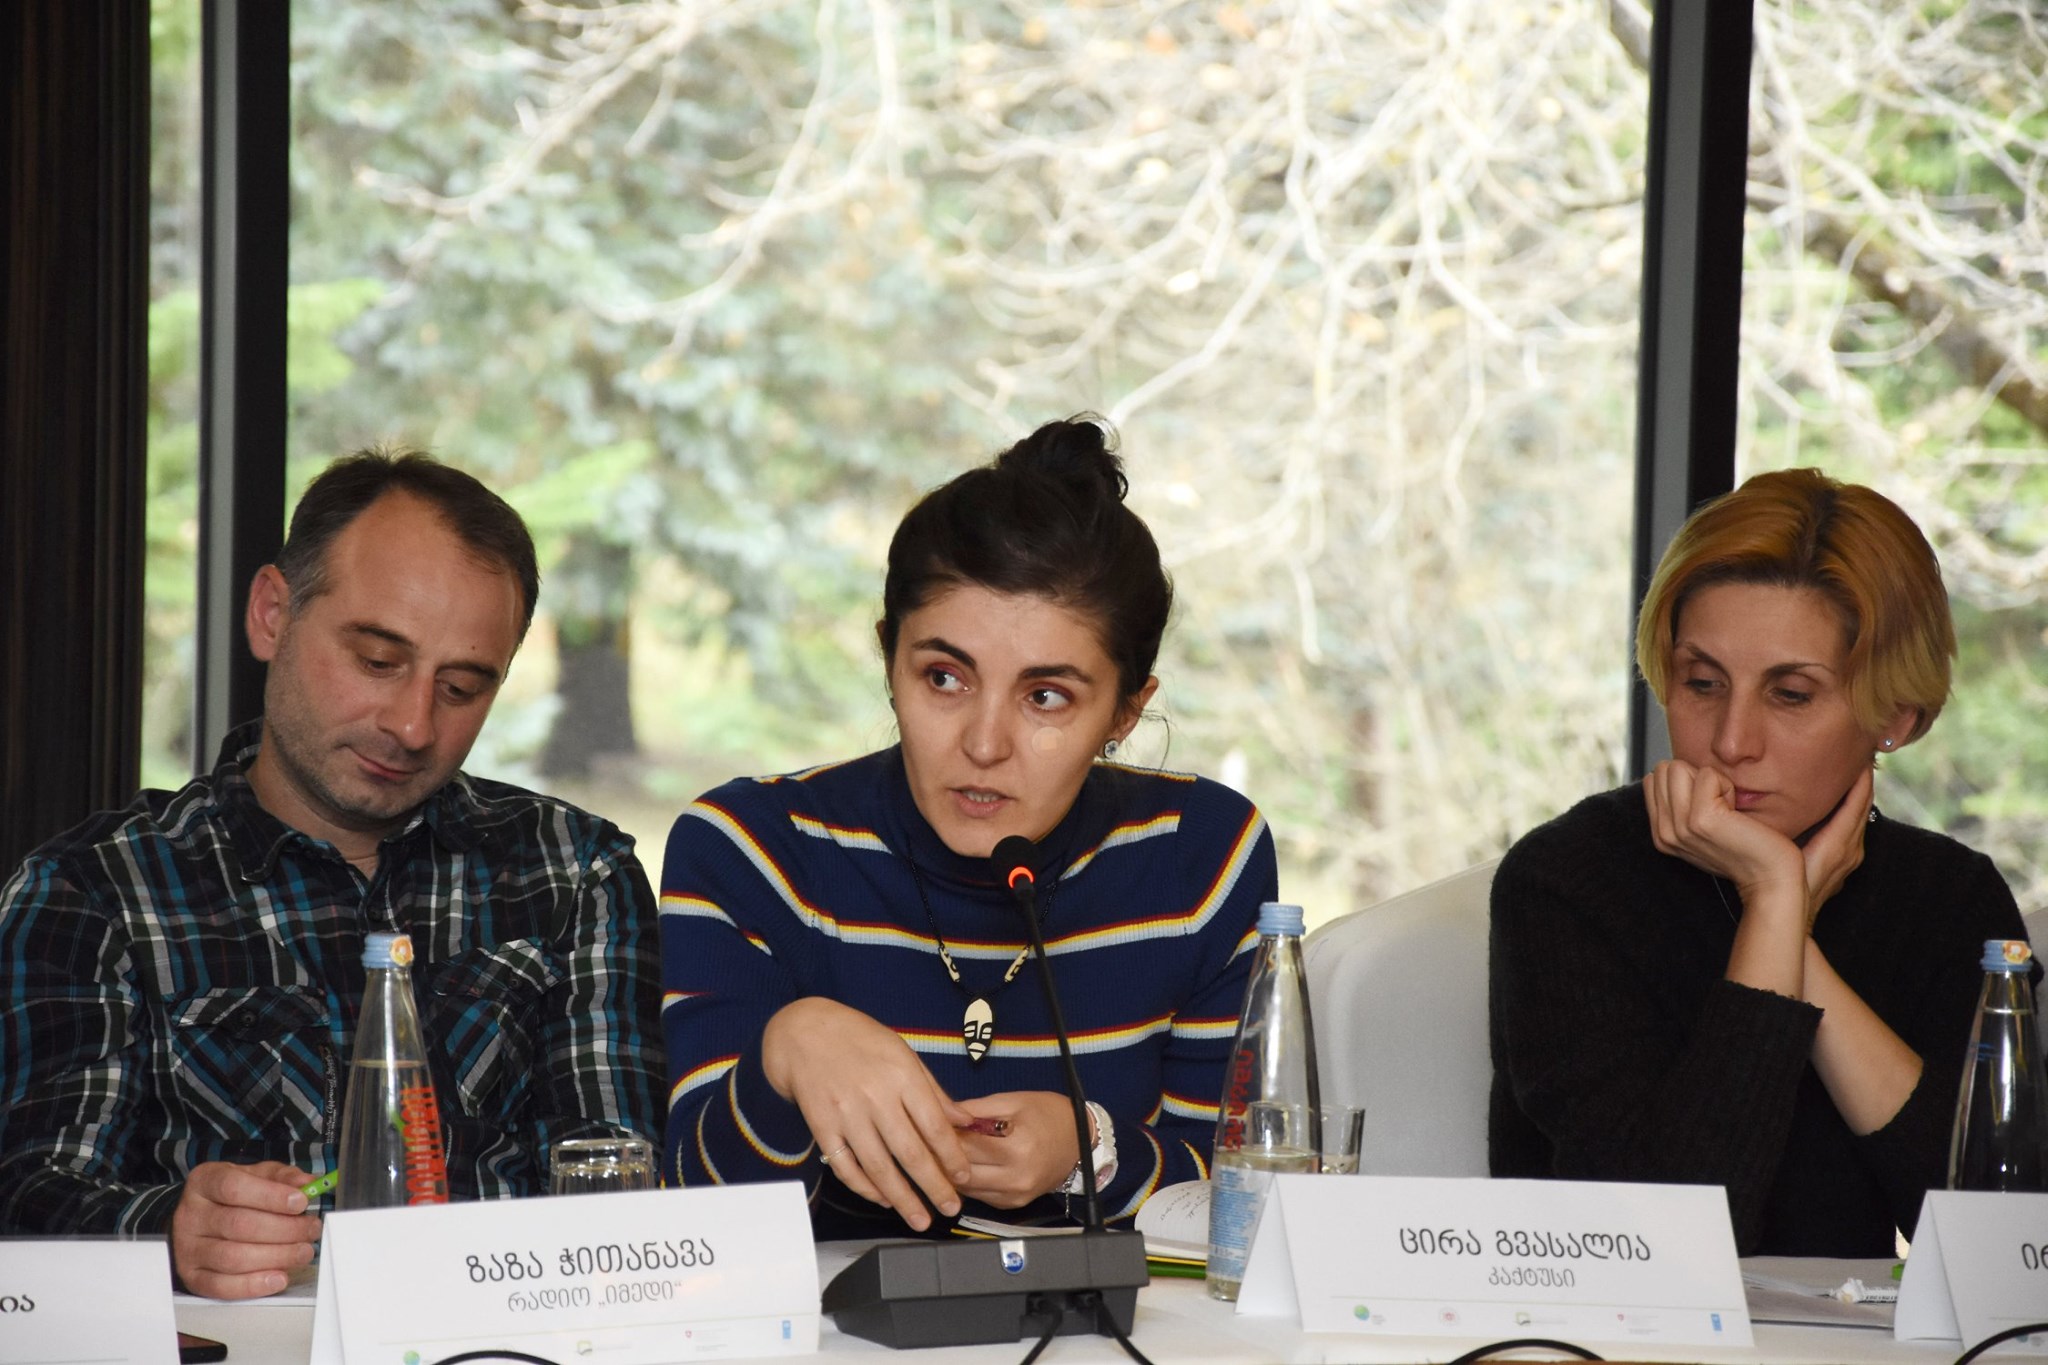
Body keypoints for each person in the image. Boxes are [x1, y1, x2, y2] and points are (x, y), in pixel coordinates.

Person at [0, 450, 664, 1298]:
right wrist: (169, 1230)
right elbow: (31, 1196)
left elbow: (612, 1192)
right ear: (271, 614)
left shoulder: (572, 874)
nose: (413, 724)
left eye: (461, 688)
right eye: (379, 661)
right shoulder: (98, 891)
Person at [659, 416, 1278, 1237]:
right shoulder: (751, 850)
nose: (984, 744)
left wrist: (1088, 1147)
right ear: (890, 660)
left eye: (1046, 696)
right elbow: (692, 1228)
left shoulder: (1200, 856)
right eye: (945, 678)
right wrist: (786, 1049)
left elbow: (1243, 1205)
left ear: (1127, 710)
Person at [1489, 467, 2030, 1256]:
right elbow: (1663, 1244)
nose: (1732, 740)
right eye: (1702, 682)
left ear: (1896, 715)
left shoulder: (1949, 898)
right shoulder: (1566, 882)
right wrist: (1778, 898)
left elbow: (1999, 1248)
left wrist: (1788, 930)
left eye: (1791, 694)